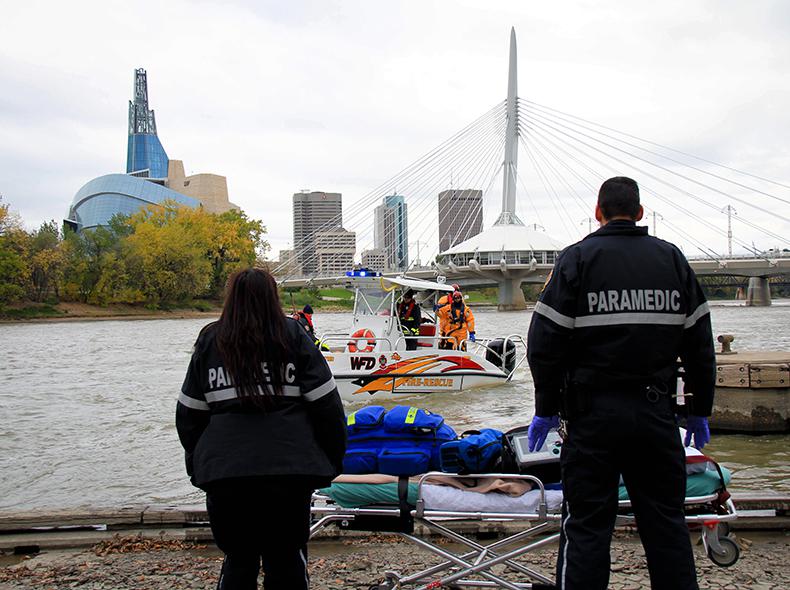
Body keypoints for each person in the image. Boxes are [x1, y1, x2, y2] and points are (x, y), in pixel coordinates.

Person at [526, 177, 715, 590]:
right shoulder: (672, 259)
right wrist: (700, 409)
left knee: (587, 525)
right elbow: (701, 345)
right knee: (666, 524)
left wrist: (546, 408)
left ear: (598, 212)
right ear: (640, 212)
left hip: (592, 419)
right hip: (656, 416)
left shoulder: (577, 260)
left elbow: (543, 343)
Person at [176, 268, 347, 590]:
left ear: (231, 298)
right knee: (287, 558)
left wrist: (201, 464)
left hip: (226, 474)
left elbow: (189, 416)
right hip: (290, 470)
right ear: (273, 296)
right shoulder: (294, 335)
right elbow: (327, 408)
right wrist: (330, 461)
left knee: (238, 558)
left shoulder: (211, 340)